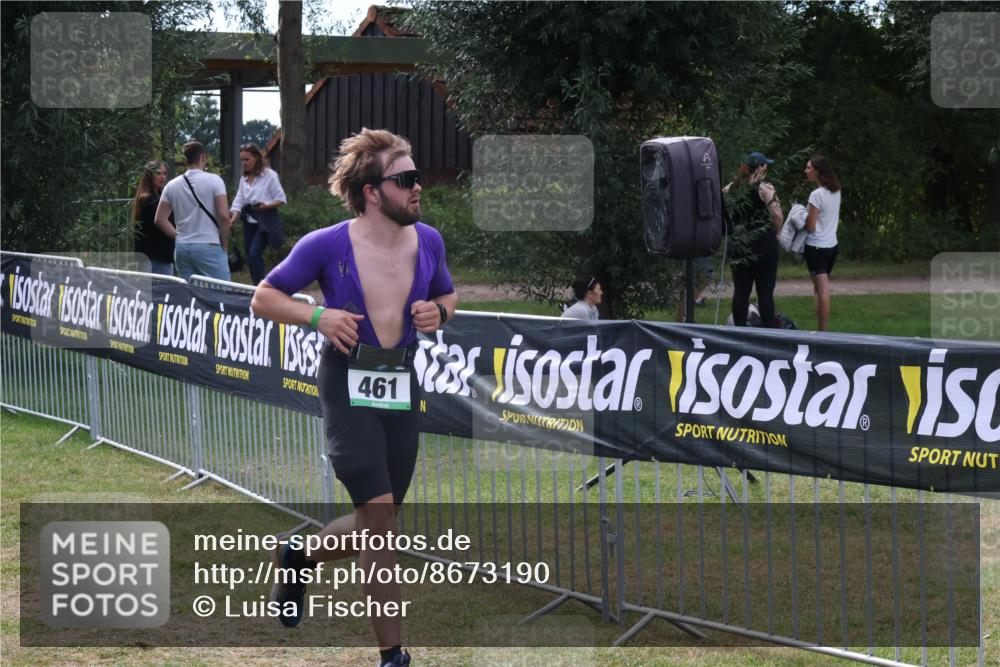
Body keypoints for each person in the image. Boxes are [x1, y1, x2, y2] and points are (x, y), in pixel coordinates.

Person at [251, 128, 456, 667]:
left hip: (401, 385)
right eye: (406, 179)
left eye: (417, 178)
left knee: (378, 521)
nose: (417, 188)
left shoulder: (429, 240)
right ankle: (393, 656)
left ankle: (298, 554)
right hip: (347, 385)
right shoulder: (326, 243)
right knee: (381, 517)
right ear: (371, 190)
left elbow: (447, 295)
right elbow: (263, 297)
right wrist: (318, 315)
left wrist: (441, 313)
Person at [154, 141, 232, 281]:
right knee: (222, 292)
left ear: (185, 160)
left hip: (182, 248)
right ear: (203, 157)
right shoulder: (215, 181)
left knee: (190, 295)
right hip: (209, 244)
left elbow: (159, 219)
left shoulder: (171, 185)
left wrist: (177, 235)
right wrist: (225, 244)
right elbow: (224, 216)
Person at [725, 151, 784, 328]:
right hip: (764, 243)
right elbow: (777, 214)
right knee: (765, 292)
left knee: (741, 291)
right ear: (759, 168)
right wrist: (777, 232)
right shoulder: (765, 189)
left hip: (740, 244)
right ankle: (768, 333)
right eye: (765, 165)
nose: (767, 168)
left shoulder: (732, 188)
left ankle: (740, 331)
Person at [229, 143, 287, 284]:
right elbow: (238, 202)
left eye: (247, 159)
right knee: (249, 256)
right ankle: (256, 288)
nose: (244, 163)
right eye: (242, 160)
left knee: (255, 254)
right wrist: (232, 221)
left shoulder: (270, 176)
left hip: (265, 221)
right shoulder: (244, 180)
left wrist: (266, 205)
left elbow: (281, 199)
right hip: (249, 222)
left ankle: (262, 288)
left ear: (256, 157)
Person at [803, 153, 841, 332]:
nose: (806, 171)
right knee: (819, 290)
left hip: (816, 247)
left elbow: (810, 226)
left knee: (822, 291)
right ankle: (820, 331)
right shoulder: (836, 191)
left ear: (818, 172)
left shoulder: (816, 195)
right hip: (832, 247)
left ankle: (823, 333)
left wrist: (799, 218)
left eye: (809, 168)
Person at [131, 160, 174, 276]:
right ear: (150, 176)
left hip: (159, 257)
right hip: (154, 258)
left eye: (164, 173)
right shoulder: (148, 200)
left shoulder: (157, 198)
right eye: (158, 173)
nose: (162, 177)